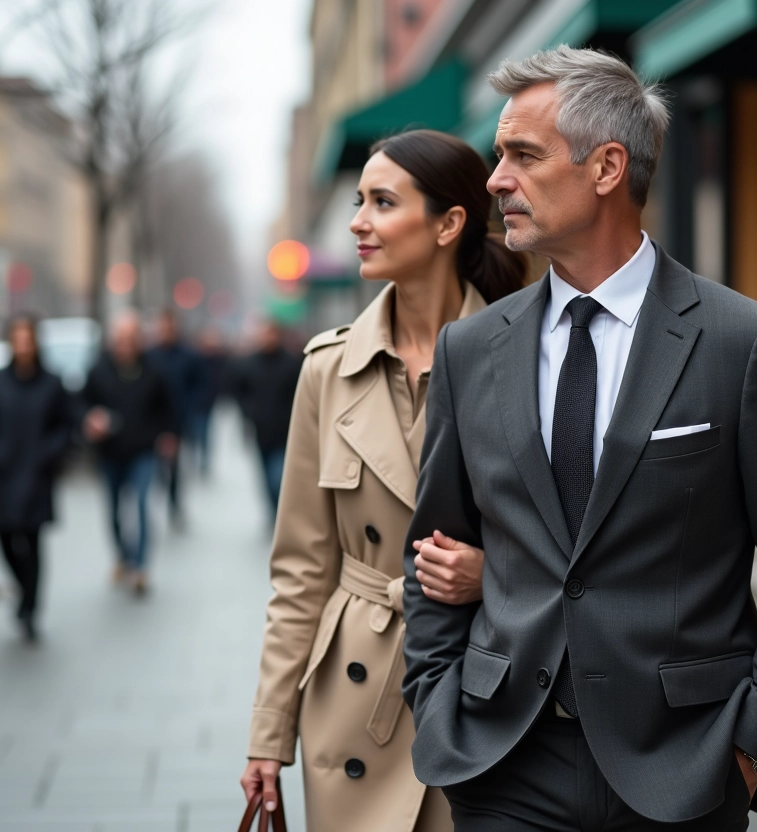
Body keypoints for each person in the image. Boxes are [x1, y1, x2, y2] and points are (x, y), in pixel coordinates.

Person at [400, 46, 757, 831]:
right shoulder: (469, 351)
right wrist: (439, 702)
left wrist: (752, 748)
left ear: (608, 167)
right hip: (503, 765)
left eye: (522, 154)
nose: (495, 180)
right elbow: (435, 552)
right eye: (498, 155)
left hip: (684, 770)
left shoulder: (743, 344)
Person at [241, 130, 528, 832]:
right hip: (353, 699)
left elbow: (574, 544)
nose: (356, 221)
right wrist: (268, 733)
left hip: (487, 683)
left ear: (448, 223)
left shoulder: (527, 355)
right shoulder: (326, 369)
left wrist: (492, 575)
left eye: (381, 201)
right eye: (358, 200)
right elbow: (302, 569)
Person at [0, 315, 75, 641]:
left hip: (36, 474)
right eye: (17, 339)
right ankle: (23, 590)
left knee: (31, 543)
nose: (23, 346)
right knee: (3, 537)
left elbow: (66, 425)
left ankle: (30, 607)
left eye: (28, 339)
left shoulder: (52, 383)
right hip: (4, 474)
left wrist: (51, 452)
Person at [83, 311, 175, 595]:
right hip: (110, 452)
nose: (125, 344)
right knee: (113, 510)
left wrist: (169, 435)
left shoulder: (154, 370)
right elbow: (82, 403)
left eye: (131, 338)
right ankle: (123, 554)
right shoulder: (98, 370)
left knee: (142, 504)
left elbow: (169, 406)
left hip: (144, 450)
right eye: (120, 339)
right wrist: (90, 419)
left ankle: (140, 566)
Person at [231, 320, 302, 516]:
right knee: (265, 476)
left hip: (286, 430)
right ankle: (273, 511)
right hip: (261, 430)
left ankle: (282, 511)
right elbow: (239, 391)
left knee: (278, 477)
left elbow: (301, 393)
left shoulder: (291, 363)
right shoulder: (249, 363)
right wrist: (249, 412)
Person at [145, 309, 200, 526]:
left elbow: (198, 384)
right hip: (151, 420)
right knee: (156, 465)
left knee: (174, 465)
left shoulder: (188, 355)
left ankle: (174, 502)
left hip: (178, 418)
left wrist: (192, 407)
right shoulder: (149, 356)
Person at [191, 326, 229, 474]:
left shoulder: (219, 359)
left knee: (204, 433)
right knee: (195, 434)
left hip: (207, 404)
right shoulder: (195, 359)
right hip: (195, 403)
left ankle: (204, 459)